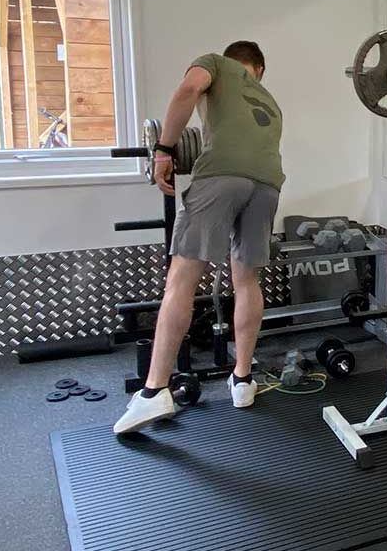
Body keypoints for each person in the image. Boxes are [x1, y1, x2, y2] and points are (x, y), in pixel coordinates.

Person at [114, 41, 284, 434]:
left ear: (233, 60)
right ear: (259, 68)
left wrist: (163, 150)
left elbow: (188, 90)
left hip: (220, 176)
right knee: (247, 279)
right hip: (268, 184)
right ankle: (243, 380)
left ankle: (155, 390)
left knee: (182, 280)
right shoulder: (271, 102)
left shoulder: (215, 63)